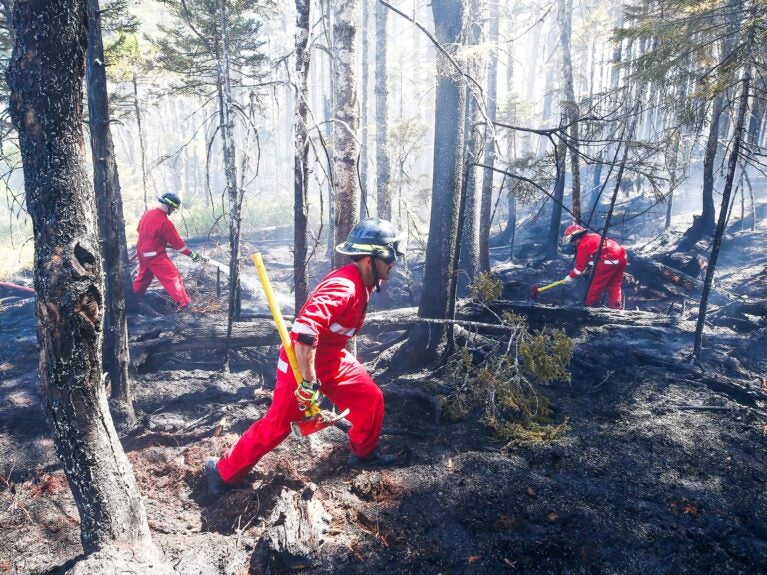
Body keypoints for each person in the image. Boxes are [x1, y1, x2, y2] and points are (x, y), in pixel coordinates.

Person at [206, 217, 404, 497]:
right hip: (301, 364)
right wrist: (309, 384)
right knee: (277, 427)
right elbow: (305, 332)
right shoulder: (344, 287)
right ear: (370, 259)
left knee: (370, 399)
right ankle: (222, 471)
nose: (394, 262)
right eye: (390, 255)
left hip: (332, 358)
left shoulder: (366, 281)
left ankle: (363, 454)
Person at [132, 192, 202, 311]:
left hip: (142, 252)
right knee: (172, 276)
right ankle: (185, 304)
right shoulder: (165, 222)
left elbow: (141, 231)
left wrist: (159, 242)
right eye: (173, 208)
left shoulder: (147, 214)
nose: (174, 210)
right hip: (154, 255)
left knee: (144, 277)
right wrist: (191, 254)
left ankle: (133, 299)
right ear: (168, 205)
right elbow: (178, 245)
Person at [561, 224, 628, 309]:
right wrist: (588, 268)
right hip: (622, 255)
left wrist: (570, 276)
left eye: (572, 241)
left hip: (609, 259)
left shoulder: (582, 245)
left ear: (576, 237)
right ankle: (617, 308)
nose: (573, 243)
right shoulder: (593, 236)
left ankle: (588, 308)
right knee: (614, 284)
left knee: (596, 286)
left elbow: (579, 268)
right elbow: (594, 258)